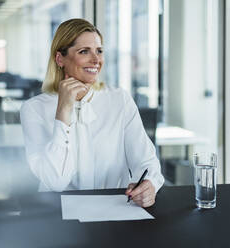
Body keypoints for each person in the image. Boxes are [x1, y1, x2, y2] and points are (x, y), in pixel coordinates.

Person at [20, 18, 164, 207]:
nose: (96, 60)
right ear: (60, 58)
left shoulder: (119, 99)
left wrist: (149, 184)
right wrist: (64, 110)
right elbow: (55, 181)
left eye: (99, 51)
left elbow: (146, 161)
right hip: (56, 214)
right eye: (84, 51)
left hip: (114, 209)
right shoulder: (33, 109)